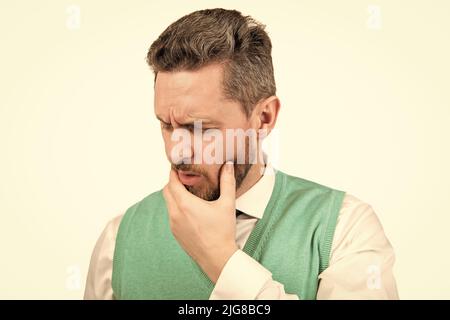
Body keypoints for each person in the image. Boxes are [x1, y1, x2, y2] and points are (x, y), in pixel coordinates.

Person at [84, 8, 398, 300]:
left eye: (200, 128)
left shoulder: (346, 228)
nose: (176, 151)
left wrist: (221, 260)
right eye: (166, 125)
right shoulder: (119, 239)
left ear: (264, 118)